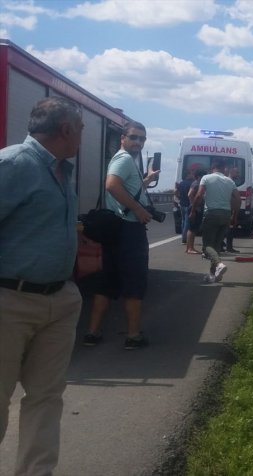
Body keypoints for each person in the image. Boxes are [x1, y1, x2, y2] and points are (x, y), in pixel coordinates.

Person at [0, 97, 84, 475]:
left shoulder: (60, 171)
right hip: (9, 300)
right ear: (66, 130)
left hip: (59, 300)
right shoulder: (14, 164)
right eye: (80, 130)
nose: (81, 137)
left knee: (47, 398)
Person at [83, 121, 160, 350]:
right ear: (123, 138)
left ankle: (92, 333)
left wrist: (145, 180)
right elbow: (112, 185)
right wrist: (138, 209)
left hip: (118, 228)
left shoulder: (126, 160)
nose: (138, 142)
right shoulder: (124, 158)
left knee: (107, 282)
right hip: (129, 230)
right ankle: (133, 336)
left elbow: (123, 187)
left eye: (142, 139)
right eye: (134, 137)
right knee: (134, 284)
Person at [191, 157, 240, 282]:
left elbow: (199, 195)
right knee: (216, 246)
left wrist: (193, 210)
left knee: (207, 246)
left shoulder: (206, 178)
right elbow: (238, 199)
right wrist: (234, 216)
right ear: (224, 169)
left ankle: (218, 264)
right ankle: (213, 275)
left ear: (212, 168)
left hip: (212, 213)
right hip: (226, 215)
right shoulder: (230, 181)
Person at [185, 168, 206, 254]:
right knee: (192, 229)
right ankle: (190, 248)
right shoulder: (197, 183)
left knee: (193, 228)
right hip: (194, 208)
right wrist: (194, 205)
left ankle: (189, 248)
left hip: (195, 207)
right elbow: (190, 194)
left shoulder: (197, 183)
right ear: (200, 176)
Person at [223, 165, 240, 253]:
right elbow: (234, 198)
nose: (238, 174)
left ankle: (222, 245)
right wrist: (234, 213)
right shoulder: (230, 182)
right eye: (236, 172)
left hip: (226, 208)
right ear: (231, 171)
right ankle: (228, 247)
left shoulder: (226, 181)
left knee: (223, 228)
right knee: (229, 228)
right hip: (229, 209)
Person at [175, 170, 194, 244]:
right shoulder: (191, 184)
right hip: (188, 204)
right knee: (187, 222)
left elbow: (176, 192)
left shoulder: (181, 183)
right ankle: (184, 238)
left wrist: (179, 198)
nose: (192, 175)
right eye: (191, 173)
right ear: (188, 175)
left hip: (182, 204)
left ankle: (183, 236)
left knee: (183, 221)